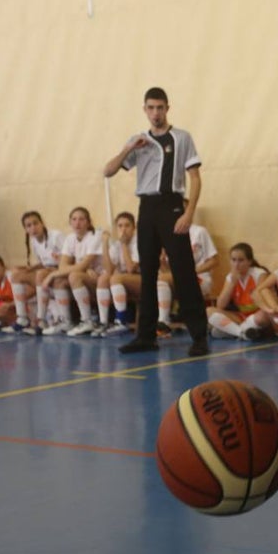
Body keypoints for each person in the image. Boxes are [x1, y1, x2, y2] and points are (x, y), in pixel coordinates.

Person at [104, 87, 210, 357]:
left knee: (184, 271)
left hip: (173, 205)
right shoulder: (138, 141)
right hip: (147, 207)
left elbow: (195, 178)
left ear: (167, 108)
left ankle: (199, 336)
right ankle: (146, 335)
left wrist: (189, 214)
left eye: (160, 107)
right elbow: (108, 170)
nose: (155, 113)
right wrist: (129, 147)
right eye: (151, 108)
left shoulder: (182, 137)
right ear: (144, 109)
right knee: (147, 273)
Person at [38, 206, 103, 336]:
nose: (77, 223)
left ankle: (87, 321)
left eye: (81, 219)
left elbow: (82, 266)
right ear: (70, 222)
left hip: (100, 278)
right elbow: (63, 266)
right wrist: (56, 274)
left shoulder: (95, 236)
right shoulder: (70, 238)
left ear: (88, 222)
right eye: (74, 219)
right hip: (85, 275)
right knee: (60, 280)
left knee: (73, 276)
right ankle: (66, 321)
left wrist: (52, 274)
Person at [155, 218, 220, 334]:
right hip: (179, 280)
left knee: (163, 279)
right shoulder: (168, 235)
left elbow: (214, 261)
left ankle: (164, 320)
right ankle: (164, 320)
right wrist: (162, 263)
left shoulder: (199, 232)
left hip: (200, 278)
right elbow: (169, 273)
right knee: (161, 280)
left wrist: (190, 272)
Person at [5, 211, 64, 334]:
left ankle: (41, 320)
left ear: (42, 223)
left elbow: (70, 258)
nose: (33, 228)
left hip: (62, 271)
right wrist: (28, 269)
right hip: (47, 270)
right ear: (25, 229)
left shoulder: (56, 236)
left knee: (40, 274)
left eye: (35, 223)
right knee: (16, 275)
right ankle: (22, 319)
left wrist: (53, 269)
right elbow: (44, 262)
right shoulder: (34, 241)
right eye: (29, 225)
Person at [207, 242, 273, 341]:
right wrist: (232, 283)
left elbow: (263, 301)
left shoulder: (259, 274)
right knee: (209, 311)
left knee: (263, 315)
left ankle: (232, 331)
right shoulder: (231, 277)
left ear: (249, 261)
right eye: (233, 260)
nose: (236, 264)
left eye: (241, 260)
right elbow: (220, 306)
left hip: (258, 315)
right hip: (241, 316)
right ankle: (242, 333)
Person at [97, 211, 141, 337]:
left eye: (127, 226)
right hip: (125, 280)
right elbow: (108, 270)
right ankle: (103, 322)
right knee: (103, 278)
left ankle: (121, 321)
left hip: (143, 279)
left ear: (134, 228)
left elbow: (131, 268)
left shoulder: (139, 241)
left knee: (116, 279)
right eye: (120, 226)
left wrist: (123, 244)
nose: (123, 229)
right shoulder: (117, 244)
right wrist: (105, 244)